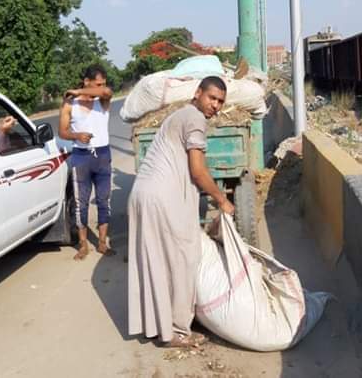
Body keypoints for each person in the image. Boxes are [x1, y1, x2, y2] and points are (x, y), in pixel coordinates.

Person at [127, 76, 235, 348]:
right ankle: (176, 331)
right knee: (183, 259)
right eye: (212, 98)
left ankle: (156, 327)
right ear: (198, 93)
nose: (216, 106)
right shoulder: (195, 118)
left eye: (221, 101)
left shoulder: (179, 115)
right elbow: (198, 172)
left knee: (155, 261)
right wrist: (222, 199)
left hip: (142, 194)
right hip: (161, 198)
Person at [59, 64, 116, 260]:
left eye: (103, 84)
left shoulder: (103, 101)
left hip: (102, 155)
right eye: (97, 84)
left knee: (103, 200)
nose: (101, 87)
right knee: (80, 203)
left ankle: (101, 243)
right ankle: (83, 245)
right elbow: (62, 131)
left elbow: (107, 92)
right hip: (81, 156)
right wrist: (76, 135)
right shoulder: (70, 105)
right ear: (87, 81)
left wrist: (78, 90)